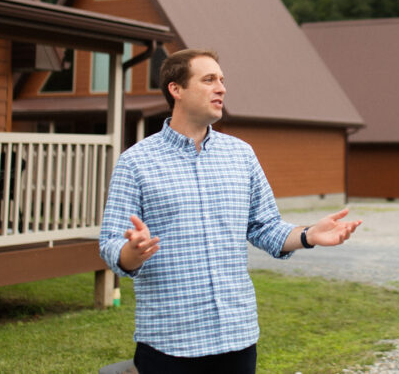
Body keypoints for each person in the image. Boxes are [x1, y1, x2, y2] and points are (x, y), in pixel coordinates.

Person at [100, 49, 362, 373]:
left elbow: (265, 227)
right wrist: (131, 252)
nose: (221, 88)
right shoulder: (136, 162)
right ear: (176, 89)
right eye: (209, 80)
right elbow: (111, 243)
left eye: (222, 80)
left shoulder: (241, 155)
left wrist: (308, 235)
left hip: (237, 339)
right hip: (170, 341)